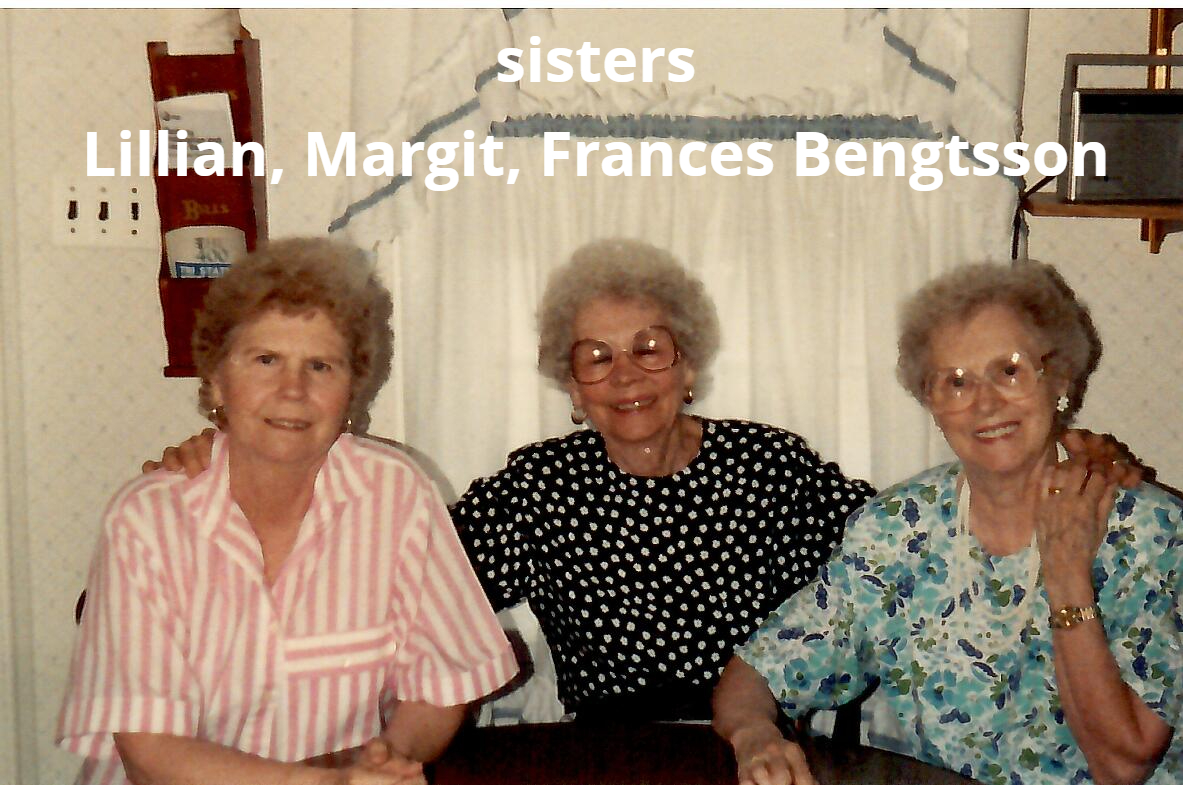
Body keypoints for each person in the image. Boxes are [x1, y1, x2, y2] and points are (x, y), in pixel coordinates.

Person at [146, 241, 1137, 725]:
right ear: (569, 383)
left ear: (687, 360)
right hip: (603, 755)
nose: (625, 375)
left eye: (649, 347)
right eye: (595, 356)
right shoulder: (540, 485)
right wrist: (236, 472)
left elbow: (912, 544)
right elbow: (400, 570)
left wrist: (1064, 456)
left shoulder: (769, 466)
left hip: (756, 747)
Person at [58, 238, 518, 785]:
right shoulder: (147, 520)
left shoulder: (396, 495)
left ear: (351, 391)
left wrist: (385, 759)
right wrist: (321, 783)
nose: (293, 390)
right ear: (216, 381)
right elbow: (149, 752)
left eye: (320, 366)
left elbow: (441, 686)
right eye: (266, 360)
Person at [712, 260, 1180, 785]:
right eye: (955, 382)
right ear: (930, 401)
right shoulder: (896, 531)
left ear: (1060, 378)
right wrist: (755, 736)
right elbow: (757, 672)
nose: (986, 402)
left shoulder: (1146, 532)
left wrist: (1067, 570)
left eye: (1010, 370)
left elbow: (1122, 766)